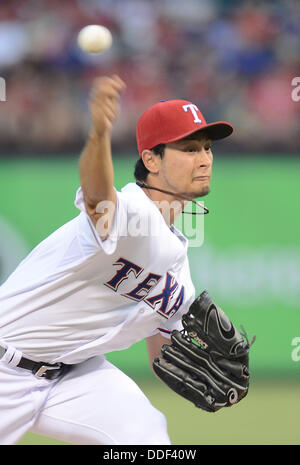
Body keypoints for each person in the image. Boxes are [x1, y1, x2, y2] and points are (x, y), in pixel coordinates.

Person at [0, 75, 233, 445]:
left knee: (146, 436)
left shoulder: (178, 269)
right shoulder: (129, 214)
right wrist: (99, 132)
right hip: (6, 367)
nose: (204, 159)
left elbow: (163, 349)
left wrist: (207, 366)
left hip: (75, 376)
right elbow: (96, 197)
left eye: (207, 148)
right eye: (189, 149)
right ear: (150, 160)